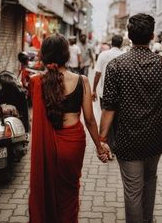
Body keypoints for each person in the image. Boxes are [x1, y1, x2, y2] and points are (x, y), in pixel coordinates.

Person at [99, 13, 162, 223]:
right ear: (152, 36)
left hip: (126, 141)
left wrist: (101, 140)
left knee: (133, 192)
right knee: (150, 180)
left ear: (129, 36)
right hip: (156, 140)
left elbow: (108, 107)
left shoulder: (116, 66)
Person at [29, 34, 108, 223]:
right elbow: (89, 120)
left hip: (47, 147)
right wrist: (99, 147)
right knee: (70, 192)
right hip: (73, 144)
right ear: (66, 55)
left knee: (50, 189)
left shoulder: (37, 82)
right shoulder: (82, 81)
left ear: (45, 56)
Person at [92, 34, 123, 155]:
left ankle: (109, 147)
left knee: (106, 118)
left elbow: (97, 74)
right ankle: (115, 145)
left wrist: (93, 89)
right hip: (120, 94)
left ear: (111, 43)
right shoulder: (123, 56)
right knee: (117, 120)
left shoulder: (103, 55)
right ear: (121, 44)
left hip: (104, 93)